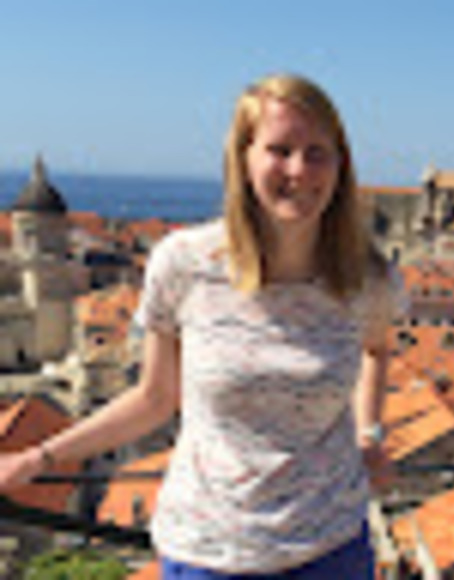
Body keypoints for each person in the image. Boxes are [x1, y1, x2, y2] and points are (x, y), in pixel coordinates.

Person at [0, 73, 399, 579]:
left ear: (340, 165)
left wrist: (369, 432)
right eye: (279, 150)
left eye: (317, 152)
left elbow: (378, 348)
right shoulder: (185, 264)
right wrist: (37, 459)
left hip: (331, 547)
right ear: (243, 159)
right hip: (210, 551)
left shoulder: (368, 278)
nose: (299, 169)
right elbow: (154, 398)